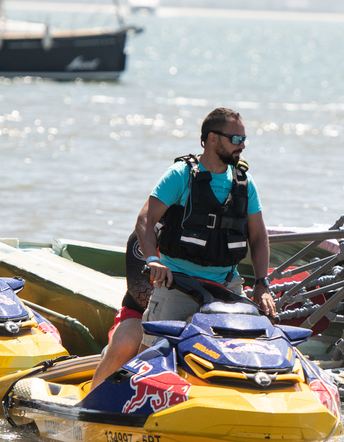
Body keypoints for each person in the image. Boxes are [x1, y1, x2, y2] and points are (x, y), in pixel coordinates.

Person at [136, 107, 277, 341]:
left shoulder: (244, 182)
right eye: (235, 139)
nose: (242, 145)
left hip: (227, 288)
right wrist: (153, 260)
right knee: (153, 356)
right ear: (212, 139)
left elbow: (259, 236)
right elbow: (144, 219)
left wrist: (262, 284)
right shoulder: (180, 175)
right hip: (176, 286)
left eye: (244, 139)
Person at [89, 232, 154, 388]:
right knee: (125, 344)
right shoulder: (146, 233)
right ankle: (92, 400)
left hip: (198, 318)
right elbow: (136, 285)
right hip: (139, 315)